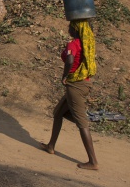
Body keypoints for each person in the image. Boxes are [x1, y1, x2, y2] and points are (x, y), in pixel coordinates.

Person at [41, 19, 100, 170]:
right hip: (84, 83)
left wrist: (65, 76)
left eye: (70, 27)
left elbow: (70, 60)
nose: (68, 29)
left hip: (75, 86)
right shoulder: (87, 44)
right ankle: (51, 146)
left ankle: (93, 161)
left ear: (75, 30)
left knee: (82, 123)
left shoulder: (73, 44)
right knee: (58, 113)